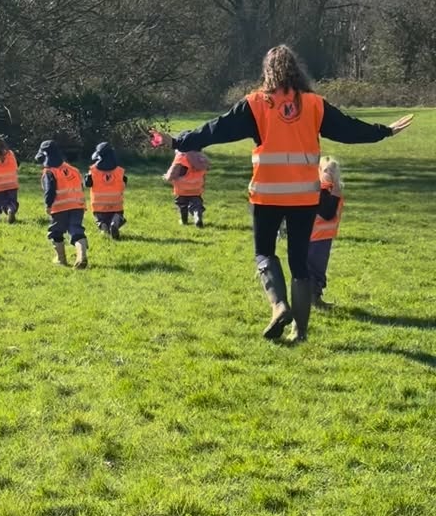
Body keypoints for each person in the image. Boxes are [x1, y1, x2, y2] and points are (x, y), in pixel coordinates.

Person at [153, 45, 413, 342]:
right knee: (299, 264)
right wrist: (384, 131)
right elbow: (349, 129)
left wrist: (177, 141)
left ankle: (278, 307)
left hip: (267, 196)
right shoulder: (314, 105)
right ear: (297, 70)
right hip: (305, 198)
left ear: (267, 71)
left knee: (265, 252)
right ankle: (299, 332)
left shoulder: (256, 103)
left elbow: (216, 129)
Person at [35, 140, 88, 268]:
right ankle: (81, 256)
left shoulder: (49, 172)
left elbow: (50, 191)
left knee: (56, 232)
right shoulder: (73, 169)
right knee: (76, 230)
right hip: (78, 206)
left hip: (60, 207)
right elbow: (81, 187)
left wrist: (48, 205)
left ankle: (61, 259)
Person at [308, 156, 344, 311]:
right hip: (316, 237)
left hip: (323, 237)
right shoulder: (322, 190)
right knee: (315, 268)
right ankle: (313, 298)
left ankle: (313, 297)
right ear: (319, 171)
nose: (330, 173)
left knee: (317, 268)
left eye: (333, 170)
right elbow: (328, 213)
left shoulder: (328, 188)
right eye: (326, 170)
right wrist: (336, 193)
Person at [85, 142, 127, 239]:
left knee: (100, 218)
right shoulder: (119, 171)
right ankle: (115, 222)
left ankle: (102, 225)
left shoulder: (93, 170)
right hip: (116, 204)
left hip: (98, 206)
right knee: (118, 215)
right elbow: (124, 184)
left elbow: (87, 184)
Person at [164, 142, 210, 227]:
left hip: (182, 189)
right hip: (196, 188)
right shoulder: (201, 158)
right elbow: (205, 170)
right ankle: (197, 217)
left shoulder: (181, 158)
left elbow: (174, 172)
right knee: (196, 205)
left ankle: (184, 220)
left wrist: (167, 177)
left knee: (182, 205)